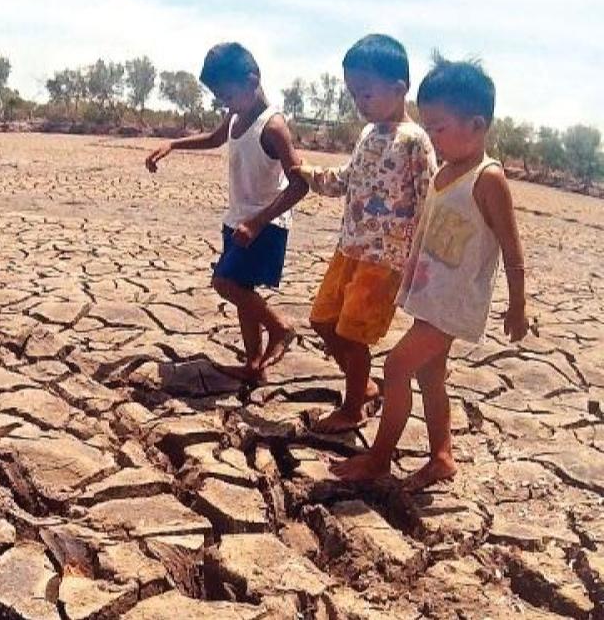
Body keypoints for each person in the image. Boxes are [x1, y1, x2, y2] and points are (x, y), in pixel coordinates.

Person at [331, 55, 528, 490]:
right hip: (430, 296)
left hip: (453, 304)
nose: (432, 136)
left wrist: (518, 303)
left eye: (439, 127)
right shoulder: (445, 171)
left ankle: (380, 458)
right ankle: (442, 456)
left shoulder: (487, 178)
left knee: (396, 368)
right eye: (429, 125)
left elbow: (512, 247)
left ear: (476, 126)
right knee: (429, 377)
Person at [297, 34, 438, 433]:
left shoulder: (416, 141)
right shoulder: (368, 134)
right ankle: (365, 387)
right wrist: (307, 173)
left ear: (399, 89)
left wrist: (421, 262)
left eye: (367, 93)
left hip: (386, 260)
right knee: (323, 321)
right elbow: (345, 180)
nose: (360, 102)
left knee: (354, 335)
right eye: (354, 94)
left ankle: (353, 405)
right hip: (350, 249)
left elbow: (429, 202)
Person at [145, 43, 308, 383]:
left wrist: (259, 220)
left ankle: (280, 328)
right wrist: (174, 144)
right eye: (219, 97)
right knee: (242, 291)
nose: (224, 103)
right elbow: (216, 138)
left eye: (227, 95)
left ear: (251, 82)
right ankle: (253, 366)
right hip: (238, 219)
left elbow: (299, 185)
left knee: (225, 282)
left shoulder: (273, 126)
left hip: (264, 224)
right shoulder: (238, 114)